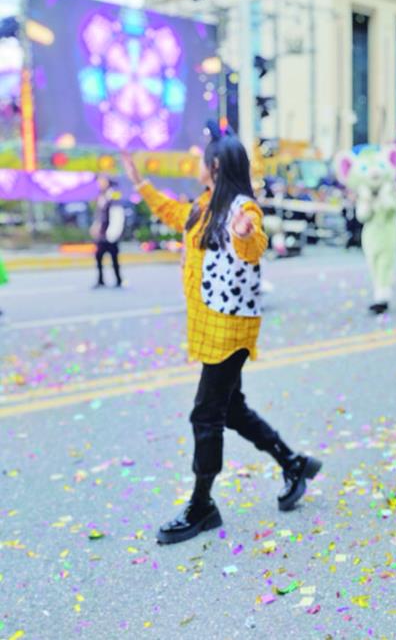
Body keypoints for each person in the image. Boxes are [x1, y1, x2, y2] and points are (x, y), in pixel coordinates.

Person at [120, 136, 322, 545]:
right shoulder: (204, 204)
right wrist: (140, 182)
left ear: (215, 166)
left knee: (205, 415)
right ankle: (294, 463)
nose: (198, 164)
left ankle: (202, 505)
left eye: (203, 159)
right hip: (210, 325)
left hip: (229, 330)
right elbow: (173, 212)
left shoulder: (242, 208)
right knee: (231, 408)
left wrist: (245, 235)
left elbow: (253, 245)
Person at [91, 176, 125, 288]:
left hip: (110, 234)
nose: (100, 184)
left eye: (102, 181)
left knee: (114, 258)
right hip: (102, 235)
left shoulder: (113, 195)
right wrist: (95, 226)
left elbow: (117, 215)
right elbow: (99, 215)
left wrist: (113, 233)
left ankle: (118, 280)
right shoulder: (101, 196)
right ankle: (101, 280)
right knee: (98, 257)